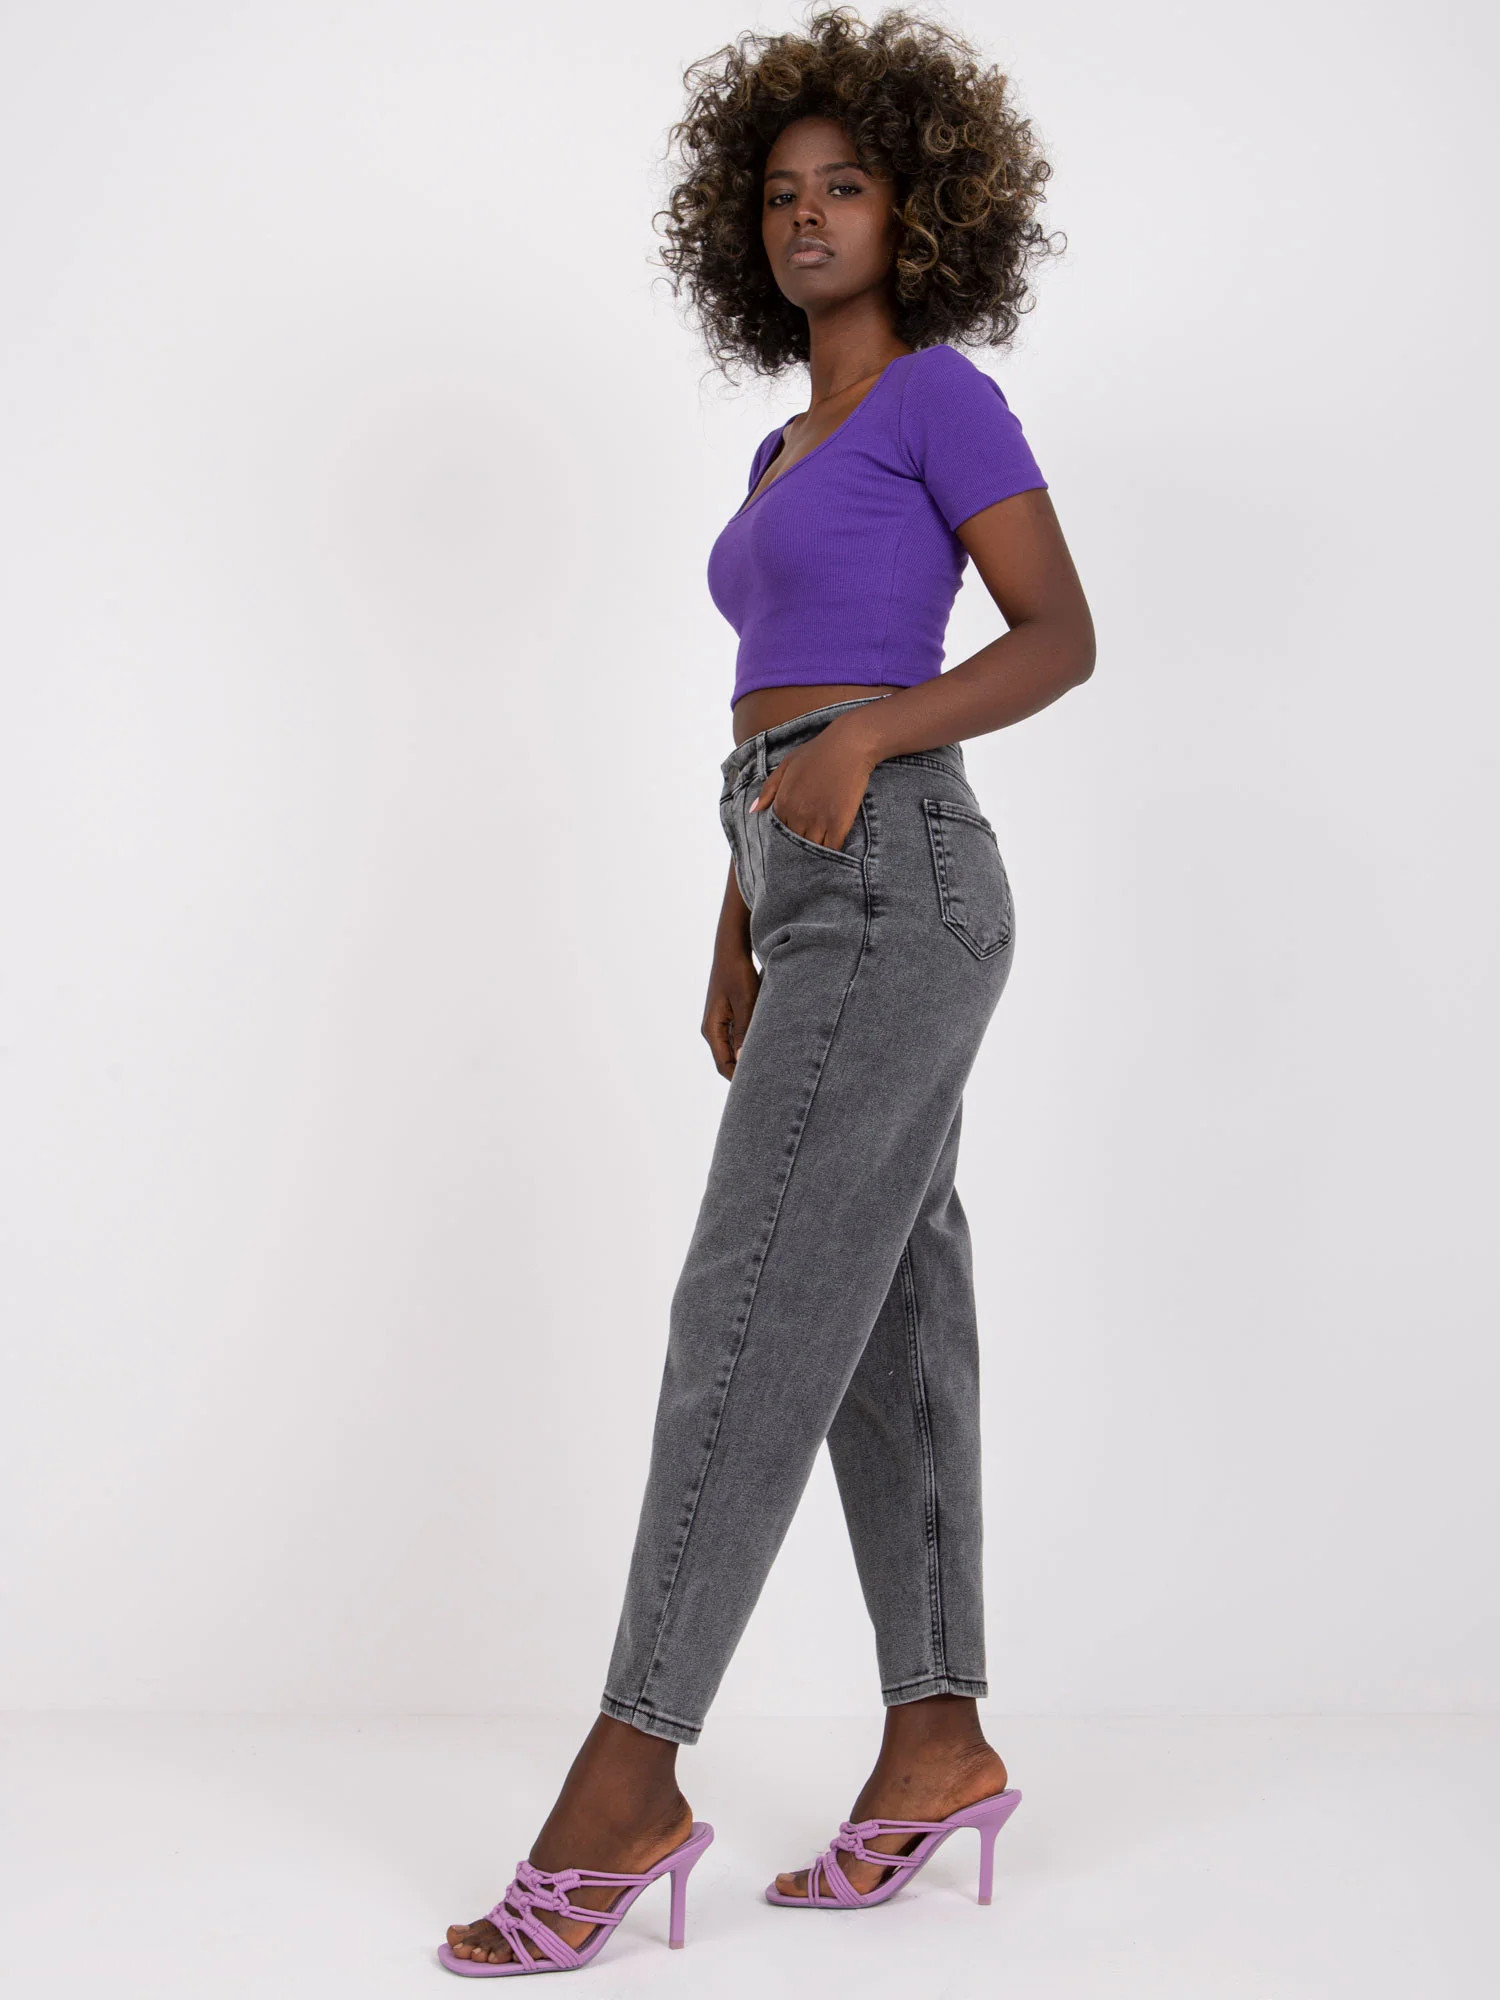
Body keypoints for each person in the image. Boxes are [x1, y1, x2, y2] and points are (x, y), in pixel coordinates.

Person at [440, 5, 1094, 1975]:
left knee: (744, 1312)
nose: (809, 215)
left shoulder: (940, 398)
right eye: (782, 192)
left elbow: (1058, 634)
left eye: (847, 186)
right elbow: (762, 719)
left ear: (920, 210)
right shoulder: (781, 445)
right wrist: (737, 918)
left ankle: (630, 1768)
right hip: (807, 881)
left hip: (898, 871)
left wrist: (873, 737)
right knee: (886, 1321)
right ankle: (938, 1741)